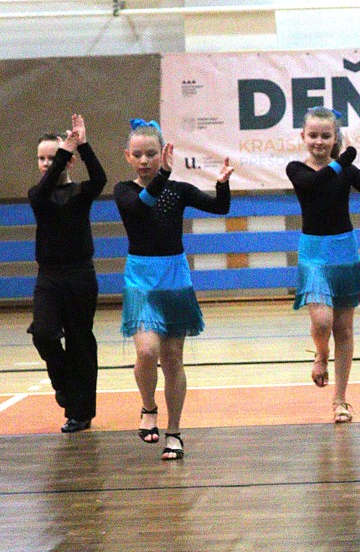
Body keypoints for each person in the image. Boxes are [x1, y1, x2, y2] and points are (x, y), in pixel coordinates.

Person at [114, 119, 233, 460]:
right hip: (141, 280)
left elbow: (219, 207)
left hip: (174, 279)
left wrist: (223, 184)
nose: (145, 161)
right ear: (127, 156)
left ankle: (174, 431)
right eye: (138, 154)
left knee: (172, 359)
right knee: (147, 351)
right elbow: (141, 207)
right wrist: (163, 174)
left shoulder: (178, 190)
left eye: (152, 154)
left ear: (163, 153)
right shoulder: (124, 191)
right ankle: (148, 407)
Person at [286, 107, 360, 424]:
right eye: (313, 135)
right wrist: (344, 159)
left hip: (344, 252)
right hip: (314, 254)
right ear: (303, 136)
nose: (319, 141)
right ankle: (321, 353)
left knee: (343, 329)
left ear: (335, 137)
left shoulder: (346, 170)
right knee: (322, 320)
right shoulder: (297, 169)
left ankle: (340, 399)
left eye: (326, 136)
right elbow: (315, 183)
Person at [28, 114, 106, 433]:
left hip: (80, 276)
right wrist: (63, 151)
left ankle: (80, 412)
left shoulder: (81, 193)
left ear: (70, 161)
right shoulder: (38, 195)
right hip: (49, 277)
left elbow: (100, 178)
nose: (47, 164)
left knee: (80, 342)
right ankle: (65, 386)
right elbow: (45, 189)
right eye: (42, 158)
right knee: (43, 334)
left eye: (53, 157)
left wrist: (82, 145)